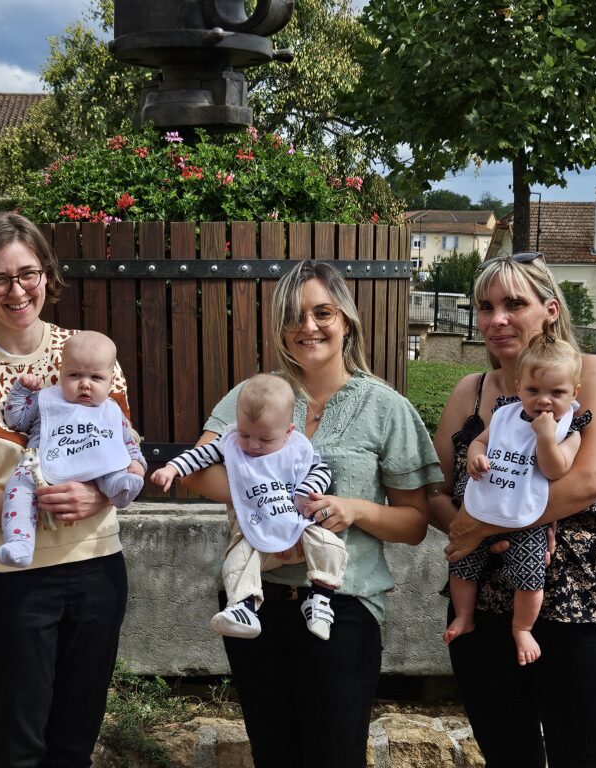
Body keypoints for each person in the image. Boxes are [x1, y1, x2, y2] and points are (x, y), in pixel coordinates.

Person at [179, 260, 442, 768]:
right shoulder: (253, 395)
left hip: (343, 605)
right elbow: (196, 470)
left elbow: (414, 523)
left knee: (335, 754)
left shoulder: (385, 407)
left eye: (323, 312)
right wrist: (268, 511)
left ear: (346, 319)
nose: (309, 327)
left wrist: (355, 508)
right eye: (295, 316)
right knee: (273, 751)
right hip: (257, 601)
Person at [0, 212, 135, 767]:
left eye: (28, 273)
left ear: (47, 275)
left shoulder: (90, 352)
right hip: (7, 582)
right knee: (18, 746)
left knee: (74, 744)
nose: (16, 290)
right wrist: (38, 504)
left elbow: (122, 451)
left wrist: (99, 495)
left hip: (95, 569)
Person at [429, 252, 596, 768]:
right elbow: (433, 488)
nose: (496, 318)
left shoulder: (590, 375)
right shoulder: (470, 392)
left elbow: (590, 480)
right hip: (482, 608)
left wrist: (484, 524)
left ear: (549, 309)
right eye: (485, 306)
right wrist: (465, 528)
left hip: (583, 603)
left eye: (513, 303)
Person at [151, 372, 346, 641]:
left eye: (265, 440)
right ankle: (243, 607)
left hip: (298, 530)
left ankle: (321, 599)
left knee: (329, 544)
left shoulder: (297, 449)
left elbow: (321, 471)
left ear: (288, 431)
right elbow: (200, 455)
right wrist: (172, 467)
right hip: (255, 537)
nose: (252, 445)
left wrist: (305, 492)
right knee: (237, 558)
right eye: (244, 434)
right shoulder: (231, 444)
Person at [445, 322, 587, 665]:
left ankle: (522, 628)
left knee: (530, 574)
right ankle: (464, 615)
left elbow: (555, 470)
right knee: (461, 562)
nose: (544, 401)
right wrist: (477, 456)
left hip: (527, 517)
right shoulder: (506, 415)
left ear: (574, 391)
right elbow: (482, 441)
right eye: (534, 390)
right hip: (485, 501)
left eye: (557, 393)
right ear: (519, 386)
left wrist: (544, 437)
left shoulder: (571, 431)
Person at [0, 330, 146, 567]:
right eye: (74, 375)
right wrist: (21, 392)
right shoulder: (45, 399)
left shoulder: (110, 409)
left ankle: (121, 489)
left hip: (96, 464)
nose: (85, 384)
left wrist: (135, 461)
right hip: (41, 466)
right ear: (61, 372)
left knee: (113, 470)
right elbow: (16, 421)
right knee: (18, 487)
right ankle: (19, 541)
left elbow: (125, 440)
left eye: (96, 378)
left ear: (110, 380)